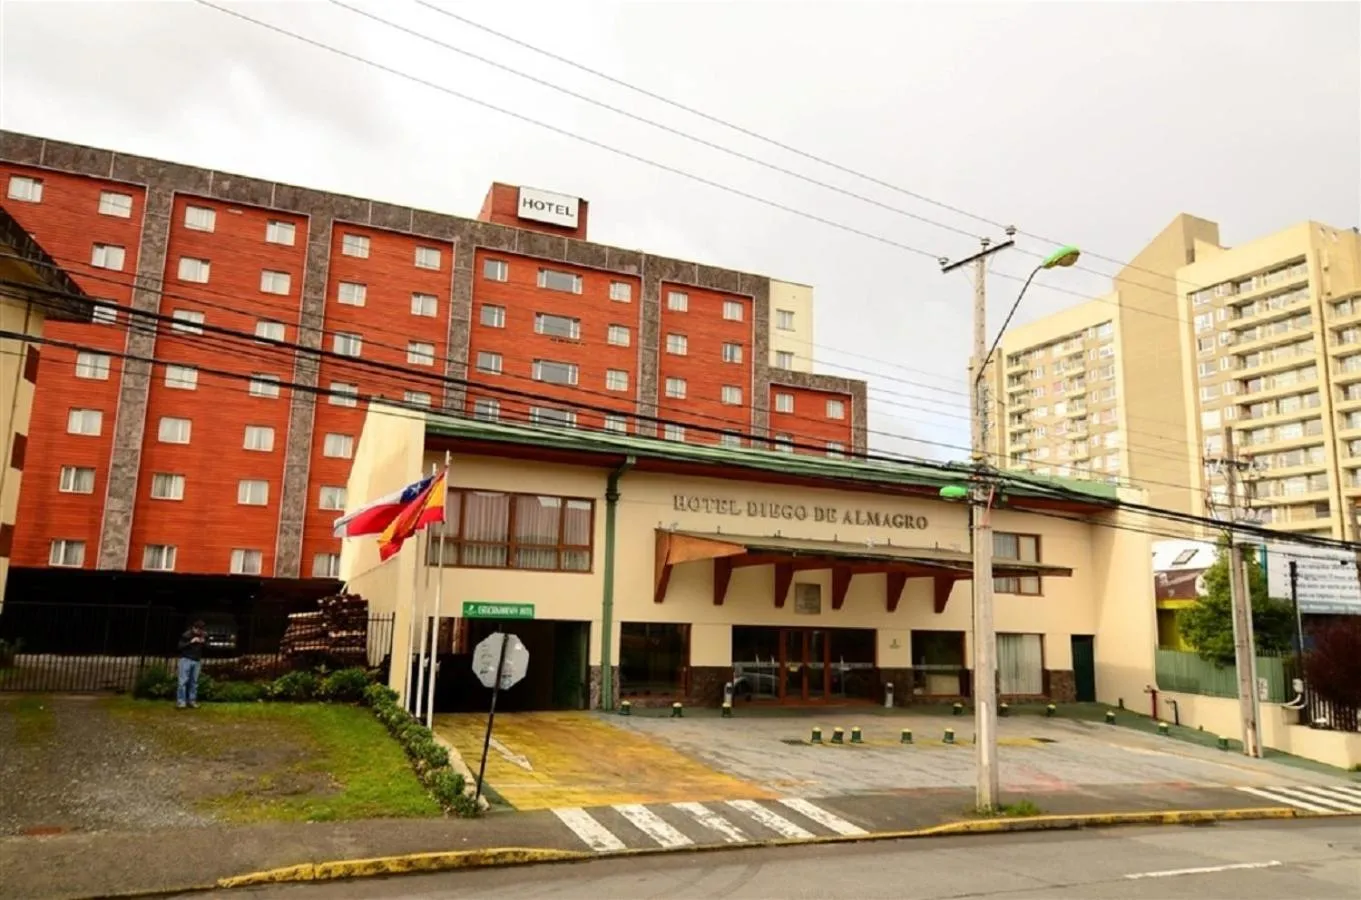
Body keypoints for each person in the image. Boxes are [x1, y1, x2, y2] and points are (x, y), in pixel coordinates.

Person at [177, 620, 207, 709]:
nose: (199, 632)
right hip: (186, 659)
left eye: (201, 630)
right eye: (198, 630)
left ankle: (192, 701)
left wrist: (204, 642)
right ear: (194, 628)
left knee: (194, 682)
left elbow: (208, 647)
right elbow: (179, 647)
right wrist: (191, 642)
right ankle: (181, 702)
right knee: (183, 681)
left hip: (196, 660)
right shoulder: (187, 635)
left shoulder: (203, 635)